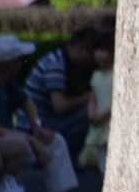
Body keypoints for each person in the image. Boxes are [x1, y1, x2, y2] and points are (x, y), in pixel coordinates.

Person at [0, 34, 79, 192]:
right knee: (22, 147)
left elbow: (26, 101)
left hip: (10, 136)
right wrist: (32, 140)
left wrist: (37, 126)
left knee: (55, 141)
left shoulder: (6, 82)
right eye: (20, 60)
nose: (21, 64)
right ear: (9, 63)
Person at [23, 27, 96, 163]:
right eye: (91, 56)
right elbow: (60, 106)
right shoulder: (56, 65)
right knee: (89, 113)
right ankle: (71, 160)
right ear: (80, 50)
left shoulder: (56, 58)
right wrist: (87, 98)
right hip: (37, 128)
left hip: (39, 124)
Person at [77, 30, 114, 172]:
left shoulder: (118, 74)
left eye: (104, 50)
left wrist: (103, 115)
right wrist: (91, 113)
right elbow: (93, 97)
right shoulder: (96, 75)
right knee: (101, 160)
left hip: (110, 122)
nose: (99, 54)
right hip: (98, 122)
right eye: (97, 50)